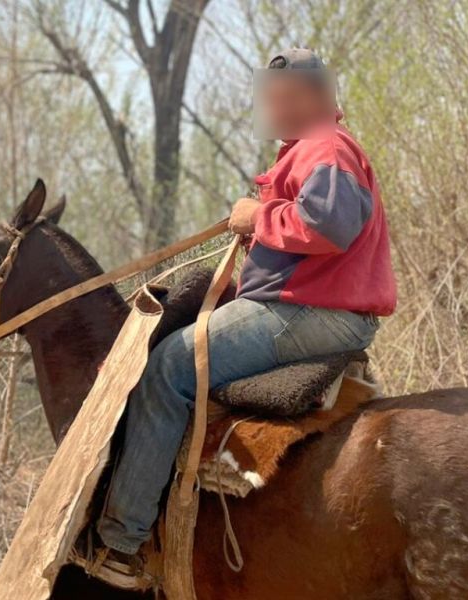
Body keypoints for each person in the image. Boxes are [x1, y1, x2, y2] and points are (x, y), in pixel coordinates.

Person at [92, 48, 397, 571]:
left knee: (169, 368)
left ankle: (122, 544)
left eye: (280, 96)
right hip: (307, 308)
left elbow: (331, 226)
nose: (270, 106)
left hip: (309, 314)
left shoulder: (325, 147)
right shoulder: (306, 151)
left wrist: (258, 216)